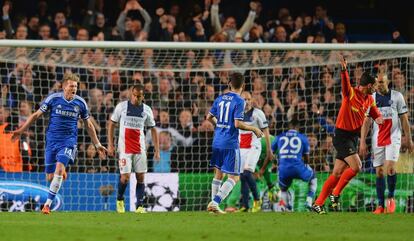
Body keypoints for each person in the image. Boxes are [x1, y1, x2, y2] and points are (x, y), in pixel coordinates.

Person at [11, 73, 107, 215]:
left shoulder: (80, 103)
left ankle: (47, 206)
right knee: (50, 177)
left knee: (59, 169)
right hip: (51, 141)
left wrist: (97, 144)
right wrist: (21, 130)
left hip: (68, 142)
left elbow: (89, 125)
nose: (73, 89)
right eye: (71, 86)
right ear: (64, 86)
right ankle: (60, 171)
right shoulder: (53, 99)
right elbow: (36, 115)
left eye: (75, 86)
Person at [312, 56, 384, 214]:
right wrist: (344, 70)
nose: (376, 88)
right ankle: (335, 193)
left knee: (337, 172)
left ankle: (318, 203)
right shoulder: (351, 94)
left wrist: (380, 119)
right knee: (357, 166)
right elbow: (345, 84)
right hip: (342, 136)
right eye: (375, 85)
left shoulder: (369, 99)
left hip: (353, 137)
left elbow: (375, 113)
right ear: (369, 85)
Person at [206, 72, 263, 214]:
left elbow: (208, 117)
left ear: (229, 84)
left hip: (217, 140)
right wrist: (253, 128)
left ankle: (214, 206)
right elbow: (237, 124)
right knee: (235, 177)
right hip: (230, 142)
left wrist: (219, 126)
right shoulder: (239, 101)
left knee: (218, 174)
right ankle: (215, 202)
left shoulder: (219, 99)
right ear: (243, 86)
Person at [360, 74, 413, 214]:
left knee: (389, 168)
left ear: (387, 82)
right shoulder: (371, 99)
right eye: (377, 83)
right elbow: (366, 122)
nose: (379, 85)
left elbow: (404, 120)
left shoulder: (397, 96)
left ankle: (390, 197)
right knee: (379, 172)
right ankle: (380, 205)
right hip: (377, 138)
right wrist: (362, 142)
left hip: (393, 137)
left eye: (382, 82)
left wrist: (409, 139)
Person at [108, 84, 160, 214]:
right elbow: (111, 124)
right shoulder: (122, 107)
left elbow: (153, 129)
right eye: (135, 95)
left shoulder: (147, 110)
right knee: (125, 177)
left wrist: (157, 150)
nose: (136, 98)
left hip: (140, 148)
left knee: (140, 177)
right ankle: (120, 200)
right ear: (131, 94)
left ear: (143, 96)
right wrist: (110, 144)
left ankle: (140, 206)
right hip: (124, 149)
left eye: (139, 96)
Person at [272, 115, 317, 211]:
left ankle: (287, 207)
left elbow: (271, 153)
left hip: (283, 169)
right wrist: (306, 165)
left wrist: (276, 163)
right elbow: (307, 157)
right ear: (298, 127)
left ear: (288, 126)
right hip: (298, 168)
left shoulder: (279, 137)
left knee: (283, 188)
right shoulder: (303, 138)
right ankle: (309, 201)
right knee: (313, 177)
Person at [238, 91, 273, 212]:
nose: (246, 102)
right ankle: (244, 205)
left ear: (252, 100)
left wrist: (269, 150)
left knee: (247, 173)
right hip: (242, 148)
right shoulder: (236, 113)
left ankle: (257, 200)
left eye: (248, 99)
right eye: (244, 99)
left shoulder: (258, 113)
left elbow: (266, 131)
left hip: (254, 146)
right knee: (243, 176)